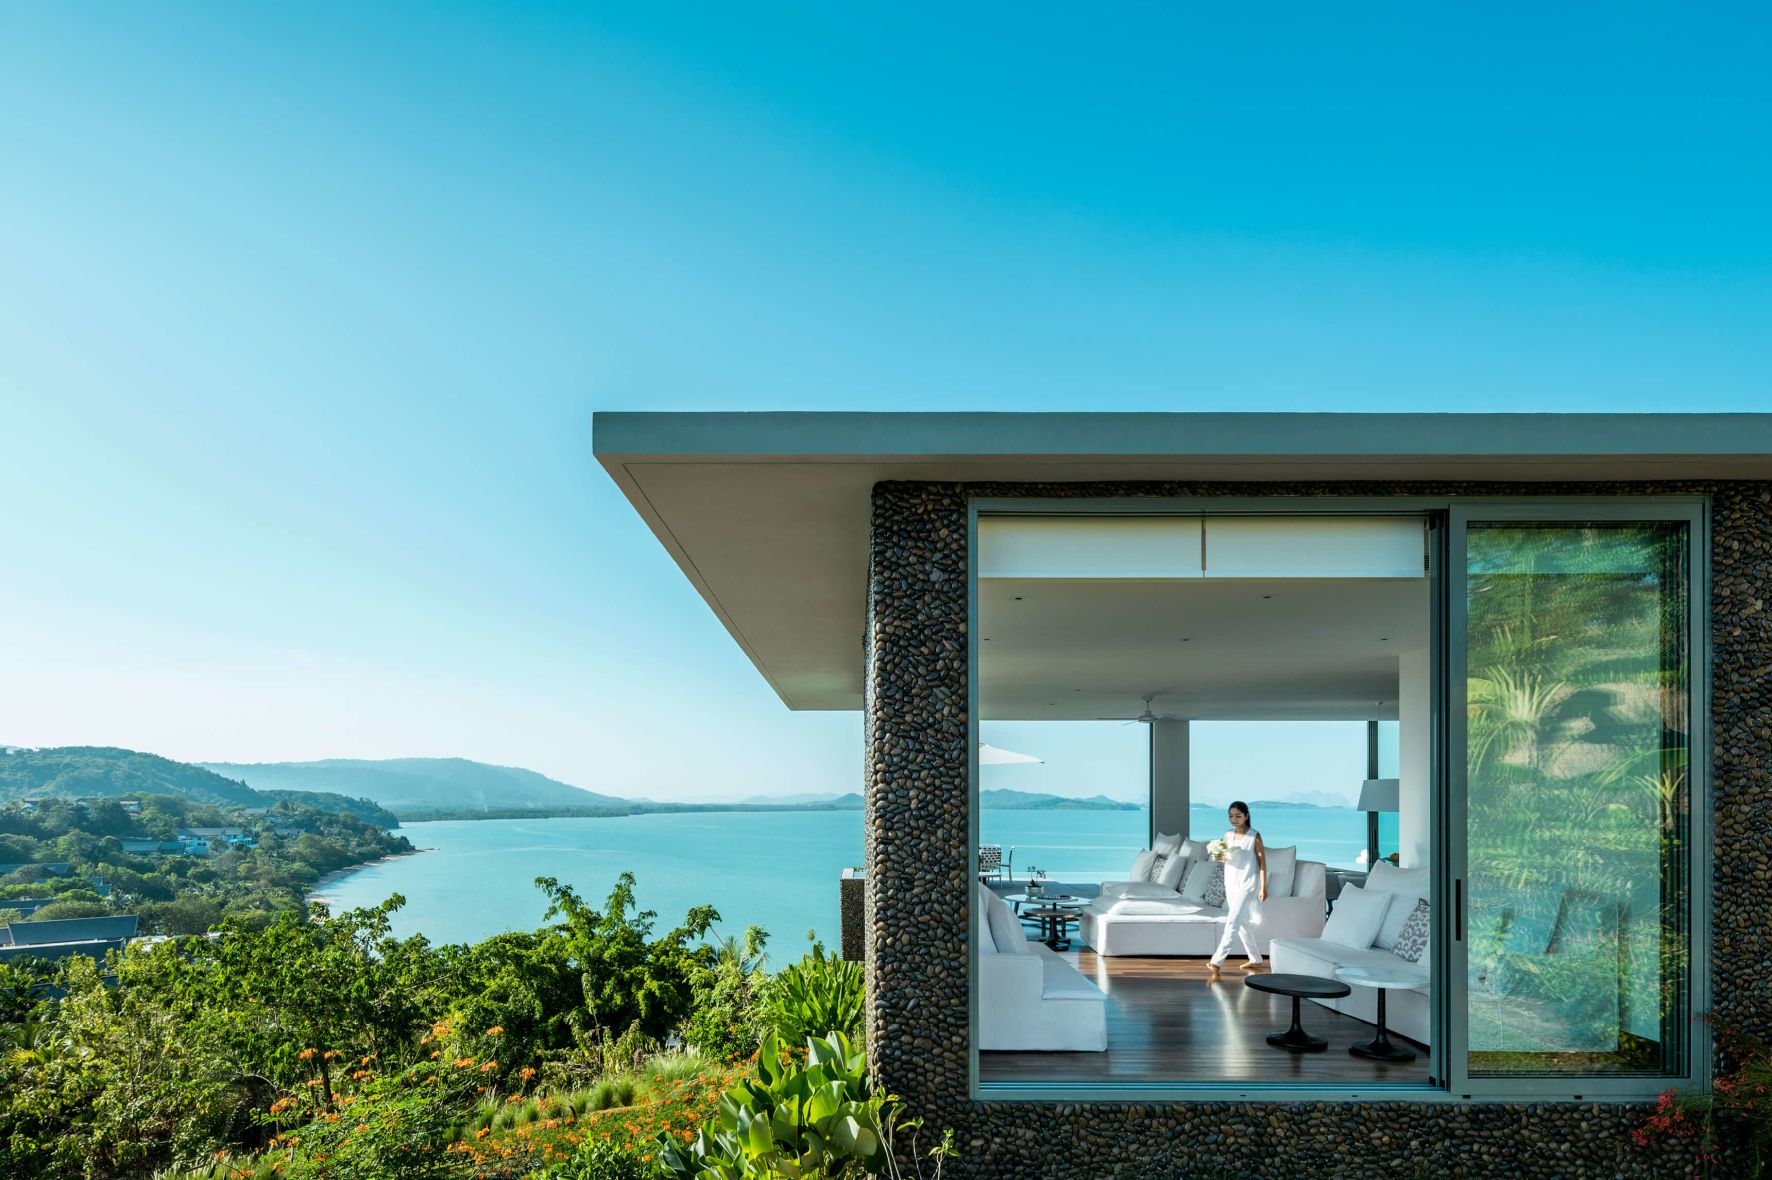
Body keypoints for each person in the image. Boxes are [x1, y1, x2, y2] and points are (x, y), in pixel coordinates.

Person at [1207, 800, 1268, 978]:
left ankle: (1216, 961)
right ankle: (1256, 958)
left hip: (1248, 884)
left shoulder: (1254, 836)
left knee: (1232, 922)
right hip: (1231, 883)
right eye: (1231, 816)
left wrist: (1264, 887)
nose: (1234, 819)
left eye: (1238, 816)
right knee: (1241, 922)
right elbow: (1226, 858)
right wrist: (1219, 856)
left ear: (1246, 816)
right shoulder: (1227, 835)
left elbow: (1262, 864)